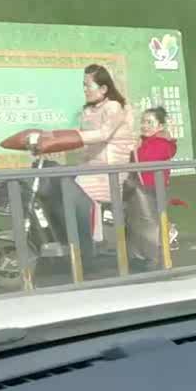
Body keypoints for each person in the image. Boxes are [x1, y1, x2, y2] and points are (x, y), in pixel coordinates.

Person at [59, 65, 137, 259]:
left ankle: (94, 243)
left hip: (111, 169)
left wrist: (70, 138)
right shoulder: (87, 111)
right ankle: (89, 242)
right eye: (83, 85)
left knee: (80, 192)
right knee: (68, 187)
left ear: (103, 88)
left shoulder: (114, 107)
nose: (85, 89)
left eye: (88, 85)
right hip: (90, 168)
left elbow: (103, 134)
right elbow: (84, 143)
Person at [122, 107, 176, 267]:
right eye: (143, 122)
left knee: (150, 225)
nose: (144, 126)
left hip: (151, 190)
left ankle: (152, 258)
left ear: (160, 126)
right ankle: (139, 257)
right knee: (138, 225)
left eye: (149, 122)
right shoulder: (143, 141)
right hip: (138, 190)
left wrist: (134, 148)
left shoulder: (163, 143)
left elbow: (145, 159)